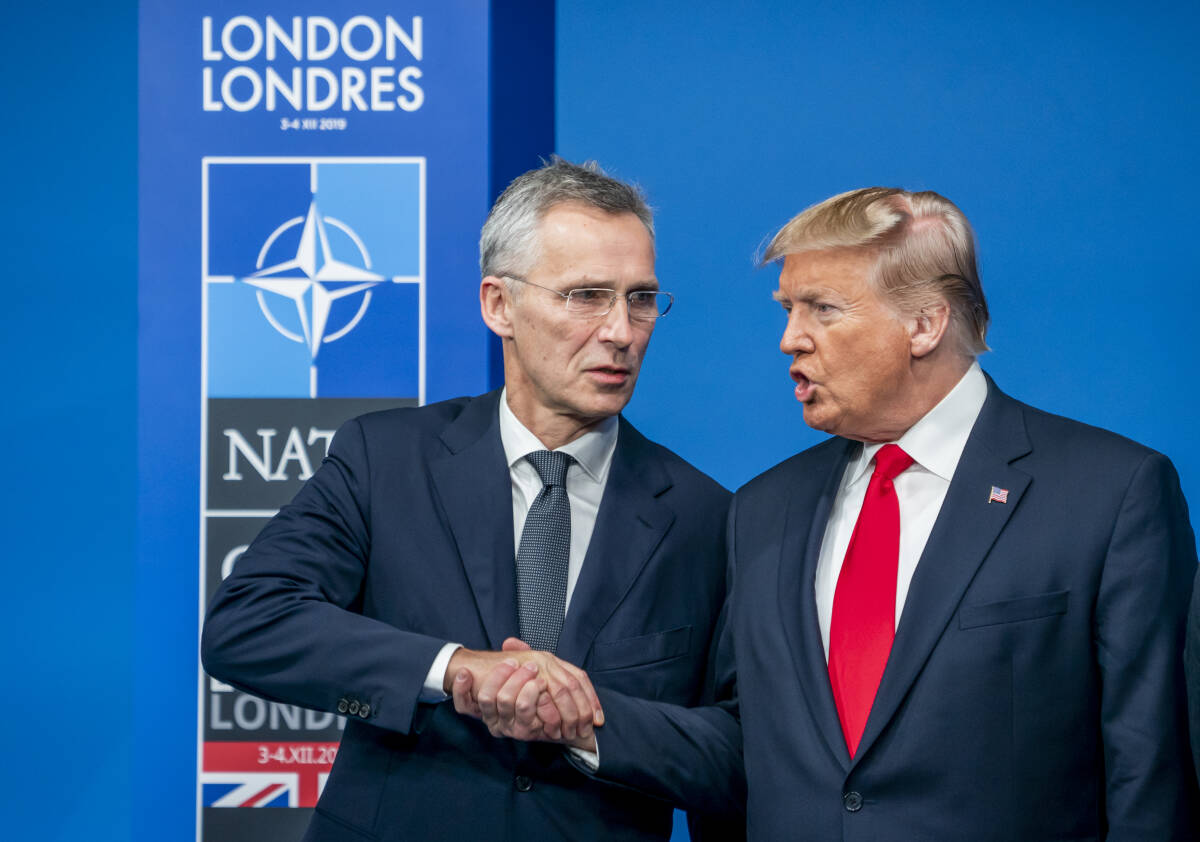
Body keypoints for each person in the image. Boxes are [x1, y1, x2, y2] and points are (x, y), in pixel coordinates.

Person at [201, 158, 742, 841]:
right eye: (586, 295)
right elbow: (247, 624)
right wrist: (455, 669)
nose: (621, 331)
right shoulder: (385, 459)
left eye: (640, 298)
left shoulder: (706, 517)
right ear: (499, 305)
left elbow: (740, 754)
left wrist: (588, 720)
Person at [727, 187, 1198, 839]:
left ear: (924, 324)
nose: (789, 340)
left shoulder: (1113, 494)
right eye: (787, 310)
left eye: (822, 310)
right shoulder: (759, 510)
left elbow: (1151, 779)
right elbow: (740, 750)